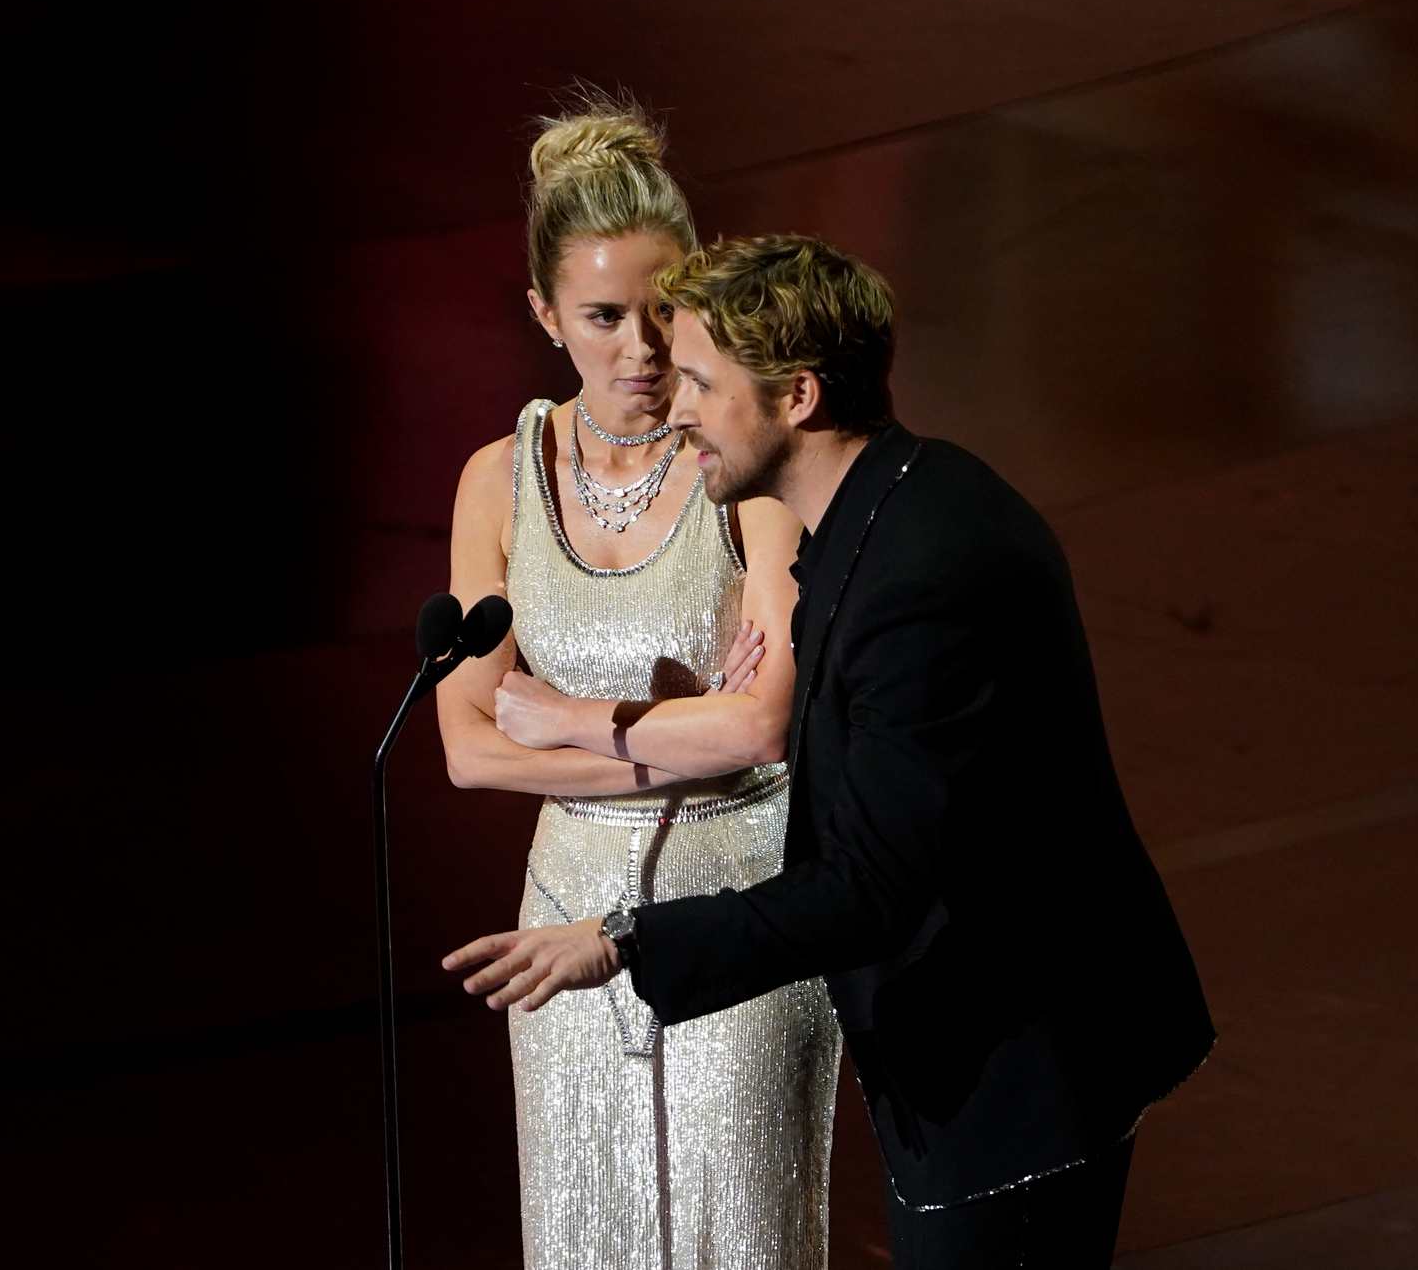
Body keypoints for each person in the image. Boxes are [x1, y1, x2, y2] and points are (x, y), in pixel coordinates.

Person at [445, 234, 1216, 1268]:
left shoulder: (918, 581)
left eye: (705, 384)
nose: (676, 408)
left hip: (1011, 1072)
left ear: (797, 397)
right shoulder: (890, 515)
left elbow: (872, 886)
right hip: (983, 1050)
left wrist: (625, 939)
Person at [435, 104, 840, 1270]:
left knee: (742, 1241)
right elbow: (466, 747)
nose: (642, 349)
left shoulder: (745, 461)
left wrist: (570, 718)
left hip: (736, 916)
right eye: (604, 317)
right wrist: (686, 731)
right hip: (557, 919)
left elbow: (766, 724)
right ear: (545, 315)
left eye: (665, 312)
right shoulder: (496, 481)